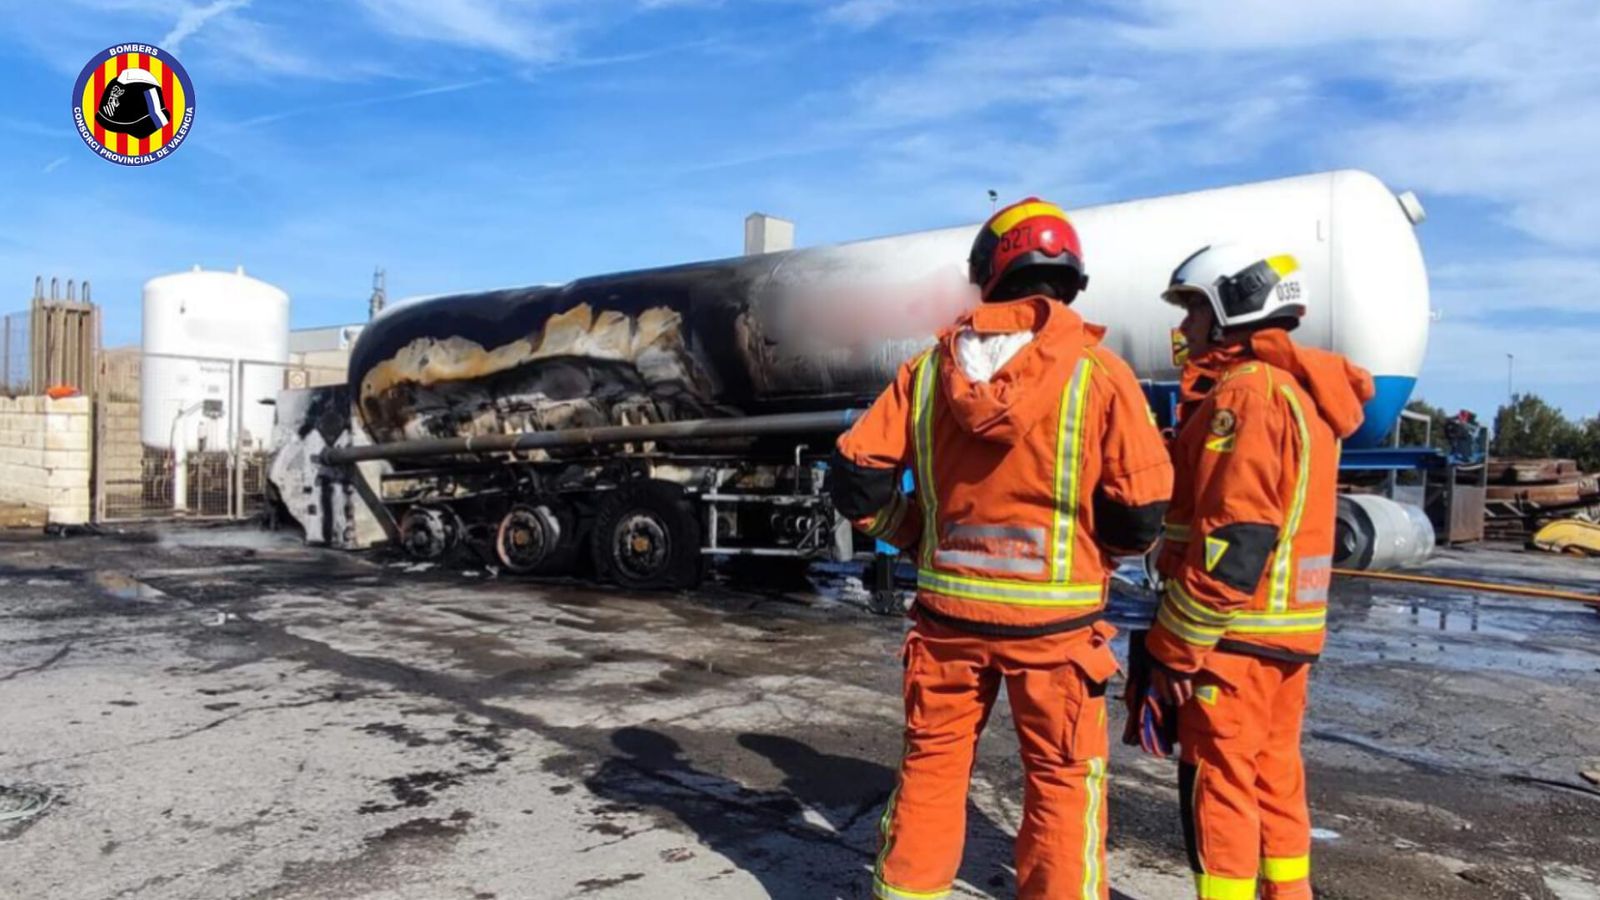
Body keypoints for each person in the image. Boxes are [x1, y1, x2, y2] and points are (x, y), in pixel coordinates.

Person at [829, 198, 1173, 900]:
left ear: (988, 271)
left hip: (948, 623)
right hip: (1058, 632)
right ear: (1070, 276)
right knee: (1062, 782)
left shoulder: (928, 373)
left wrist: (912, 533)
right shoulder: (1099, 375)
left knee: (934, 765)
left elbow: (855, 478)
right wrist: (1093, 550)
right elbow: (1142, 513)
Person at [1145, 244, 1375, 900]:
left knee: (1219, 789)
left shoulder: (1246, 393)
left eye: (1193, 309)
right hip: (1286, 636)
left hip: (1233, 637)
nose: (1184, 326)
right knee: (1275, 782)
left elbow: (1236, 538)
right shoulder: (1301, 390)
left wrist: (1175, 647)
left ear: (1232, 309)